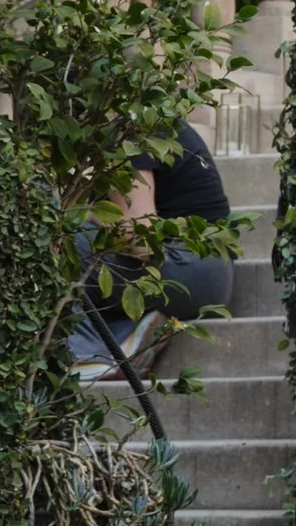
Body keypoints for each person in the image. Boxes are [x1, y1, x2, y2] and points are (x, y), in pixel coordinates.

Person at [73, 116, 236, 373]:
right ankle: (131, 335)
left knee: (65, 242)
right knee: (88, 268)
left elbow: (139, 240)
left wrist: (87, 215)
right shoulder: (150, 117)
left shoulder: (130, 128)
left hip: (188, 268)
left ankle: (88, 357)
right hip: (206, 273)